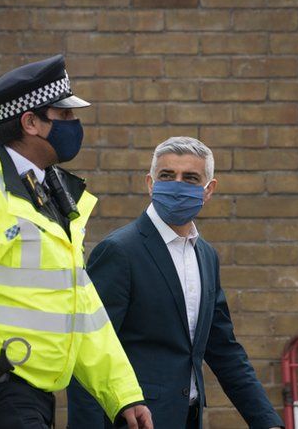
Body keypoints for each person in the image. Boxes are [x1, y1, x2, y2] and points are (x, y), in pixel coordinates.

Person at [0, 55, 152, 429]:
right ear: (30, 122)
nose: (74, 125)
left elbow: (81, 308)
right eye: (62, 116)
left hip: (33, 396)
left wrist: (123, 393)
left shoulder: (50, 192)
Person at [66, 137, 283, 429]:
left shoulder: (205, 255)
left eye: (190, 178)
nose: (177, 185)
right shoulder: (120, 251)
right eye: (167, 176)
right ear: (150, 183)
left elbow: (223, 349)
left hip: (188, 417)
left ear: (209, 190)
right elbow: (88, 348)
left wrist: (267, 421)